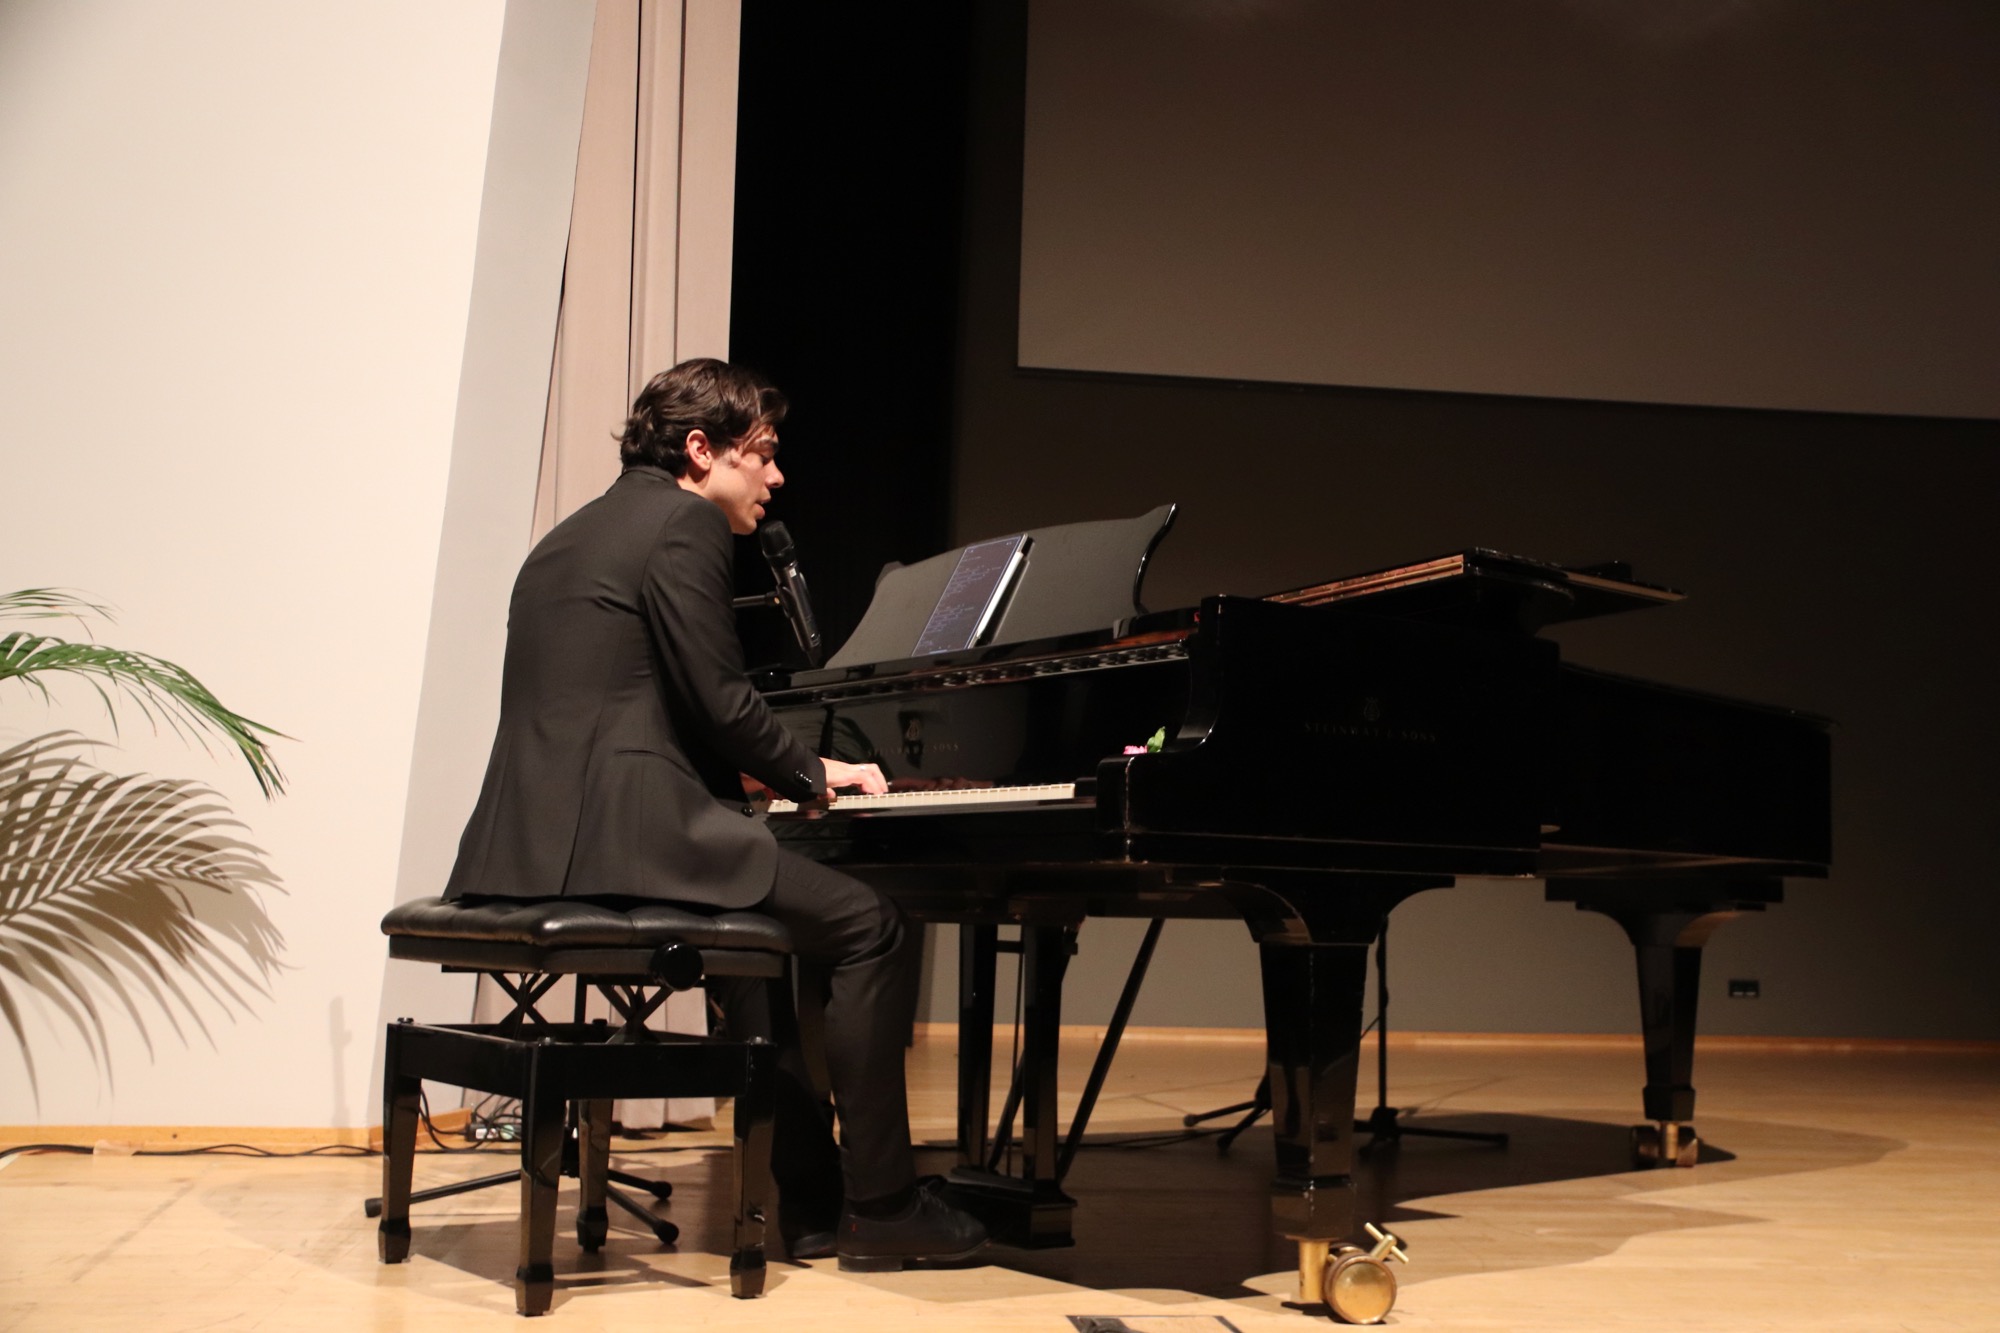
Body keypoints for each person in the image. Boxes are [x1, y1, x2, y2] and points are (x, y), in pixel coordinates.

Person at [442, 357, 986, 1269]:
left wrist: (746, 783)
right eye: (761, 454)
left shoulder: (568, 538)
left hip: (532, 845)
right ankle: (885, 1206)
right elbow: (721, 700)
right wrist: (812, 771)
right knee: (871, 928)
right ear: (702, 450)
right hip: (632, 842)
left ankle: (810, 1205)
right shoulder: (684, 523)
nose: (777, 476)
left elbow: (621, 702)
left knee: (757, 964)